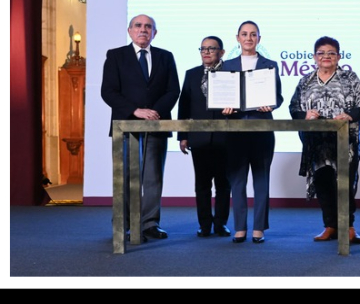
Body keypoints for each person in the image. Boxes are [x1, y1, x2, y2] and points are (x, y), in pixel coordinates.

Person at [101, 14, 180, 241]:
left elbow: (173, 90)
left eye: (148, 26)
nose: (143, 29)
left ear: (155, 32)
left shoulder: (166, 57)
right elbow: (108, 91)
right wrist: (135, 111)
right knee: (125, 177)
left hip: (156, 124)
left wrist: (154, 113)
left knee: (153, 178)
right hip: (125, 127)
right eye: (138, 26)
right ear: (129, 31)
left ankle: (149, 224)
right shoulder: (116, 56)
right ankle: (124, 225)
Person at [289, 36, 360, 244]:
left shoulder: (350, 78)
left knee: (345, 183)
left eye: (331, 53)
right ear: (314, 57)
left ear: (338, 56)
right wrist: (305, 116)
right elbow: (294, 108)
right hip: (317, 144)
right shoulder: (305, 80)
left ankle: (348, 226)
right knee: (323, 182)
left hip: (346, 142)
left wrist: (349, 115)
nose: (326, 57)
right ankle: (330, 226)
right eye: (321, 53)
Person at [221, 20, 283, 244]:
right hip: (235, 129)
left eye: (253, 34)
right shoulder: (226, 65)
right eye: (244, 34)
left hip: (262, 128)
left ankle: (259, 228)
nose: (248, 38)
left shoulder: (270, 64)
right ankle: (239, 227)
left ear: (259, 38)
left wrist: (271, 104)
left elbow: (278, 96)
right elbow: (221, 94)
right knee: (237, 181)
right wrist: (224, 107)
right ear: (237, 38)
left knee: (261, 180)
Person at [177, 36, 232, 238]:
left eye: (211, 48)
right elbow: (184, 106)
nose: (206, 52)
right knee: (202, 184)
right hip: (198, 137)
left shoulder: (230, 73)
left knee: (223, 184)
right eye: (203, 48)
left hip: (224, 138)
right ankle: (205, 224)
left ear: (222, 52)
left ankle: (220, 224)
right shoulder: (191, 74)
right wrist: (183, 135)